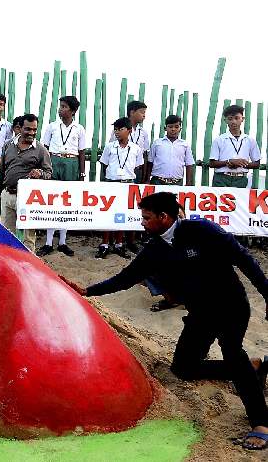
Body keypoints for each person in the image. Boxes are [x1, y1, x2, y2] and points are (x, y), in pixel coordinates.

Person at [68, 191, 268, 451]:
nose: (142, 223)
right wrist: (88, 292)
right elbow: (126, 277)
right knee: (184, 368)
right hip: (200, 312)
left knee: (232, 352)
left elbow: (245, 260)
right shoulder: (154, 248)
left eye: (146, 218)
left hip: (230, 306)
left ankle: (260, 423)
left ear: (164, 217)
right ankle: (253, 367)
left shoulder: (202, 230)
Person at [0, 113, 51, 252]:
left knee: (28, 238)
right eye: (28, 129)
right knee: (6, 234)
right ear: (20, 128)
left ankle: (29, 268)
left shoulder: (41, 150)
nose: (31, 133)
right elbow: (0, 171)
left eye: (34, 130)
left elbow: (48, 173)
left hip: (27, 199)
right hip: (7, 195)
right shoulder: (8, 146)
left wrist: (40, 173)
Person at [38, 96, 86, 257]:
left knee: (66, 203)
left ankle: (63, 242)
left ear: (72, 111)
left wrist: (81, 173)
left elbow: (81, 152)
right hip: (54, 161)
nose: (60, 109)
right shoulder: (52, 127)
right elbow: (44, 148)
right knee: (52, 201)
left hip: (71, 163)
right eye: (60, 106)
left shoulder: (79, 129)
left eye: (64, 107)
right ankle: (48, 242)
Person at [97, 118, 144, 259]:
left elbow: (138, 167)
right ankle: (104, 244)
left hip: (128, 184)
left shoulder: (136, 148)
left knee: (122, 214)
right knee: (108, 213)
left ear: (129, 131)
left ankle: (119, 243)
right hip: (111, 182)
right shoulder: (110, 147)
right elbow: (104, 165)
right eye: (115, 129)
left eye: (120, 129)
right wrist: (104, 182)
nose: (117, 132)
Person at [209, 105, 261, 188]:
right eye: (230, 119)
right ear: (225, 120)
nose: (233, 121)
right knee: (219, 201)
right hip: (221, 179)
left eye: (237, 118)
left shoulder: (250, 140)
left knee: (240, 201)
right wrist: (229, 162)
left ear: (242, 119)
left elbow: (257, 164)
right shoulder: (219, 140)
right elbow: (212, 163)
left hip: (241, 179)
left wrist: (239, 164)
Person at [148, 115, 195, 186]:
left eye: (176, 127)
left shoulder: (185, 145)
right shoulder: (157, 143)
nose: (173, 129)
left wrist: (188, 183)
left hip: (177, 183)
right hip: (157, 181)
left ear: (180, 129)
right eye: (170, 127)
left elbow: (189, 164)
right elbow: (150, 162)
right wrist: (147, 180)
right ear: (165, 128)